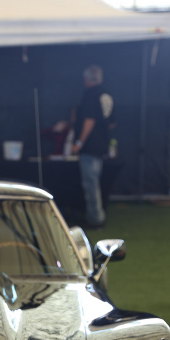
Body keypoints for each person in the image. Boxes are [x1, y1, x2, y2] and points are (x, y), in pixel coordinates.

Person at [72, 65, 115, 228]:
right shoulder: (107, 95)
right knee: (94, 182)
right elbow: (112, 123)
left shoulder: (90, 94)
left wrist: (79, 142)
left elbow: (90, 120)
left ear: (86, 79)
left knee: (90, 183)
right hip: (101, 145)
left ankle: (96, 218)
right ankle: (94, 215)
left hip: (90, 146)